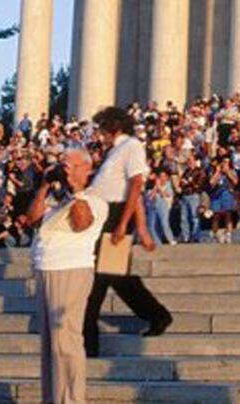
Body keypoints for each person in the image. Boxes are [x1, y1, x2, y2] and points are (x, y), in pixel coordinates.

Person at [82, 106, 173, 358]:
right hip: (105, 216)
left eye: (102, 128)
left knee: (100, 281)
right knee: (114, 277)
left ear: (114, 127)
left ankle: (88, 341)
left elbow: (136, 186)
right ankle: (157, 315)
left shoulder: (131, 146)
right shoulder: (115, 151)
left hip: (115, 215)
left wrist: (126, 224)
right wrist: (141, 229)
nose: (99, 134)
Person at [28, 147, 106, 404]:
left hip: (71, 269)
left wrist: (76, 191)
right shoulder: (56, 197)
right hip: (45, 268)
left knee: (67, 341)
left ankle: (72, 399)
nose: (65, 170)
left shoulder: (95, 198)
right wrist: (44, 186)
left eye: (70, 165)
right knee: (50, 345)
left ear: (87, 169)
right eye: (63, 165)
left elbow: (82, 223)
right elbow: (32, 218)